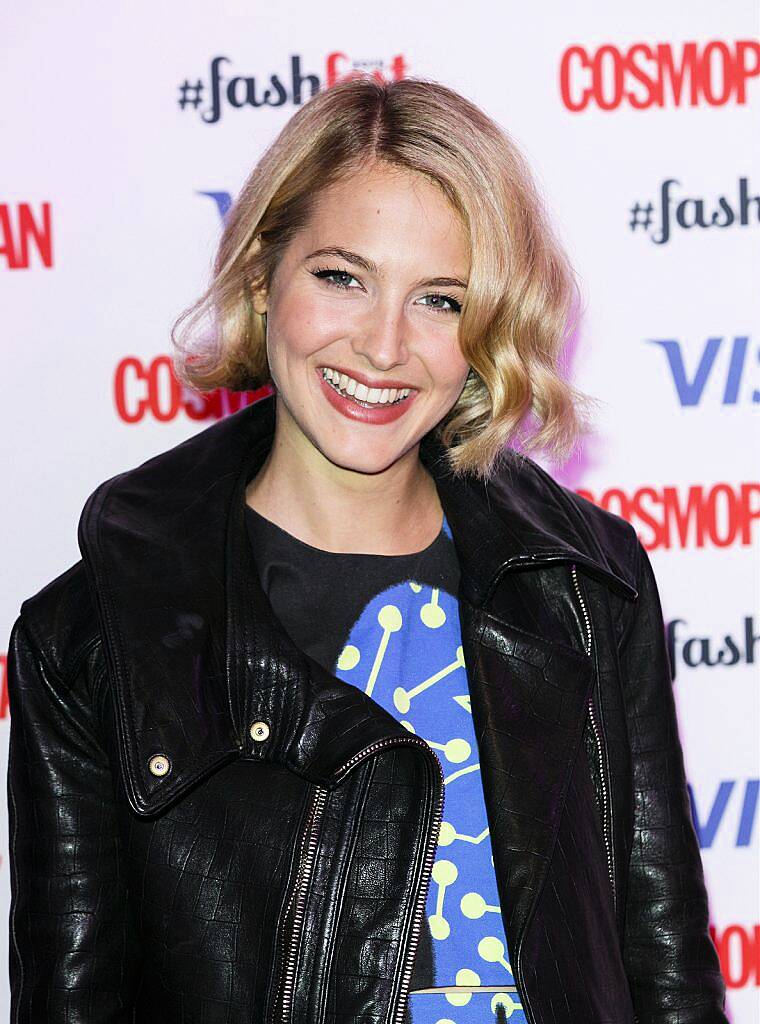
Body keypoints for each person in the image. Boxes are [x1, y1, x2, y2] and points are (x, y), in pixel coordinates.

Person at [6, 77, 727, 1024]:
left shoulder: (584, 583)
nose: (385, 346)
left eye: (439, 299)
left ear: (487, 332)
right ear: (263, 279)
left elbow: (663, 965)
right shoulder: (94, 637)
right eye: (342, 277)